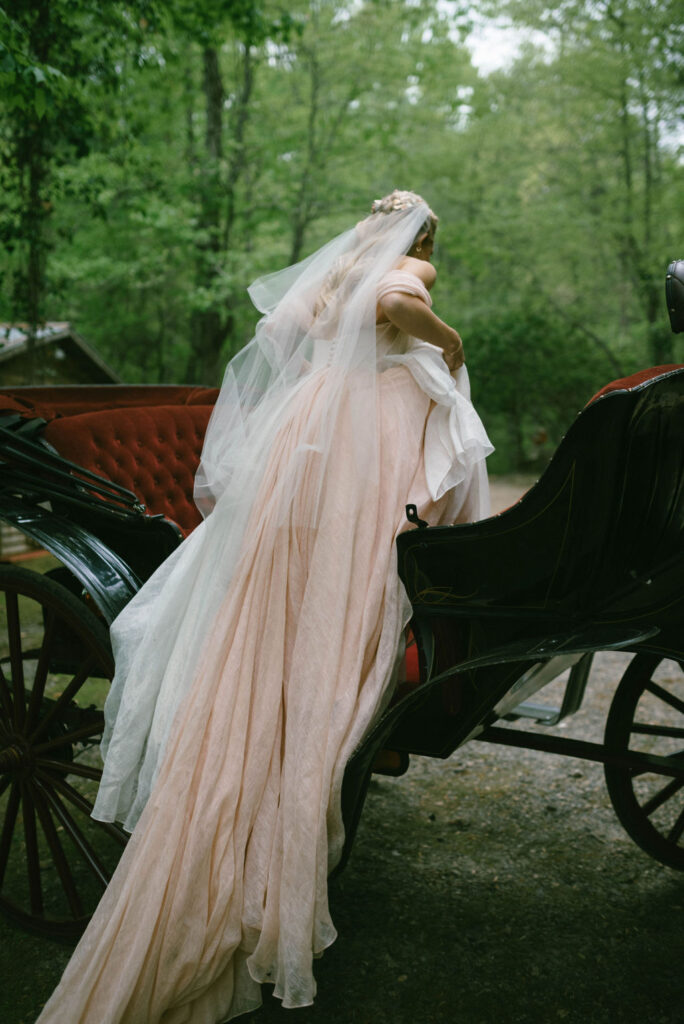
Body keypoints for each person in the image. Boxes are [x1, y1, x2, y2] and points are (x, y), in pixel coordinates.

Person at [36, 189, 493, 1024]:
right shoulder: (405, 267)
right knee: (364, 557)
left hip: (306, 432)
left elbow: (279, 339)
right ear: (421, 232)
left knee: (282, 576)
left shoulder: (337, 272)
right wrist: (448, 343)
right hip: (357, 437)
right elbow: (396, 305)